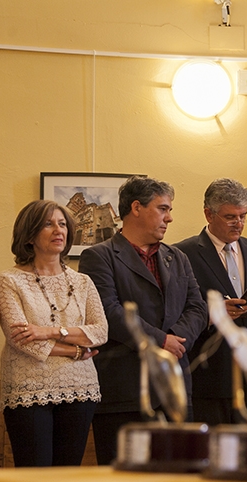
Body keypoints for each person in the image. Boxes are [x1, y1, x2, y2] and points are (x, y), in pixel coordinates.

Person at [78, 175, 208, 465]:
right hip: (124, 391)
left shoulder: (178, 257)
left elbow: (197, 308)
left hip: (175, 388)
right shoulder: (98, 257)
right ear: (136, 208)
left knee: (177, 481)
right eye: (162, 209)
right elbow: (108, 312)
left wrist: (175, 339)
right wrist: (161, 341)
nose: (170, 218)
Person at [0, 200, 108, 467]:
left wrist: (48, 331)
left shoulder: (83, 281)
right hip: (28, 386)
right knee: (35, 478)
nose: (58, 230)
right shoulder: (9, 281)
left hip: (80, 386)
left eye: (62, 224)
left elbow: (100, 331)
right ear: (30, 235)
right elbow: (21, 340)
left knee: (66, 477)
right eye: (48, 224)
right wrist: (76, 350)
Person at [174, 179, 247, 425]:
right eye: (230, 217)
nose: (239, 224)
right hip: (209, 376)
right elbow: (176, 311)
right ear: (209, 214)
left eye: (243, 216)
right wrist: (215, 313)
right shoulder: (182, 254)